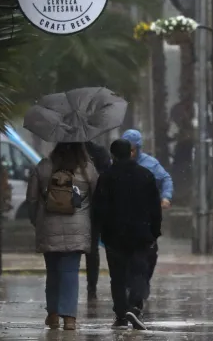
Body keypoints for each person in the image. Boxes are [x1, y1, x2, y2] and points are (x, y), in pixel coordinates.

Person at [26, 143, 98, 330]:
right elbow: (97, 197)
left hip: (48, 227)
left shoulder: (44, 166)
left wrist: (37, 221)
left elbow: (32, 199)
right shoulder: (87, 168)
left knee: (53, 272)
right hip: (77, 228)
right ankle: (69, 318)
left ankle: (53, 314)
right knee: (70, 272)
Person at [92, 139, 162, 330]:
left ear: (113, 155)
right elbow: (155, 208)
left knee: (118, 276)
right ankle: (135, 305)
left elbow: (98, 208)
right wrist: (154, 232)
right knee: (139, 272)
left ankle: (121, 313)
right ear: (131, 153)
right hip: (141, 234)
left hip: (114, 235)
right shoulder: (145, 175)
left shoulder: (106, 177)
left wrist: (100, 231)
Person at [121, 129, 173, 298]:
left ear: (138, 148)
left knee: (149, 254)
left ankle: (142, 283)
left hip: (146, 220)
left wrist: (166, 197)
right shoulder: (116, 165)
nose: (130, 152)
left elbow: (166, 179)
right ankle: (132, 285)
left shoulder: (150, 164)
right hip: (124, 220)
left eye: (133, 149)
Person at [84, 141, 112, 300]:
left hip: (90, 207)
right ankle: (91, 286)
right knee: (92, 249)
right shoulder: (99, 151)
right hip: (95, 206)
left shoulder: (67, 152)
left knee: (91, 248)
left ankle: (91, 285)